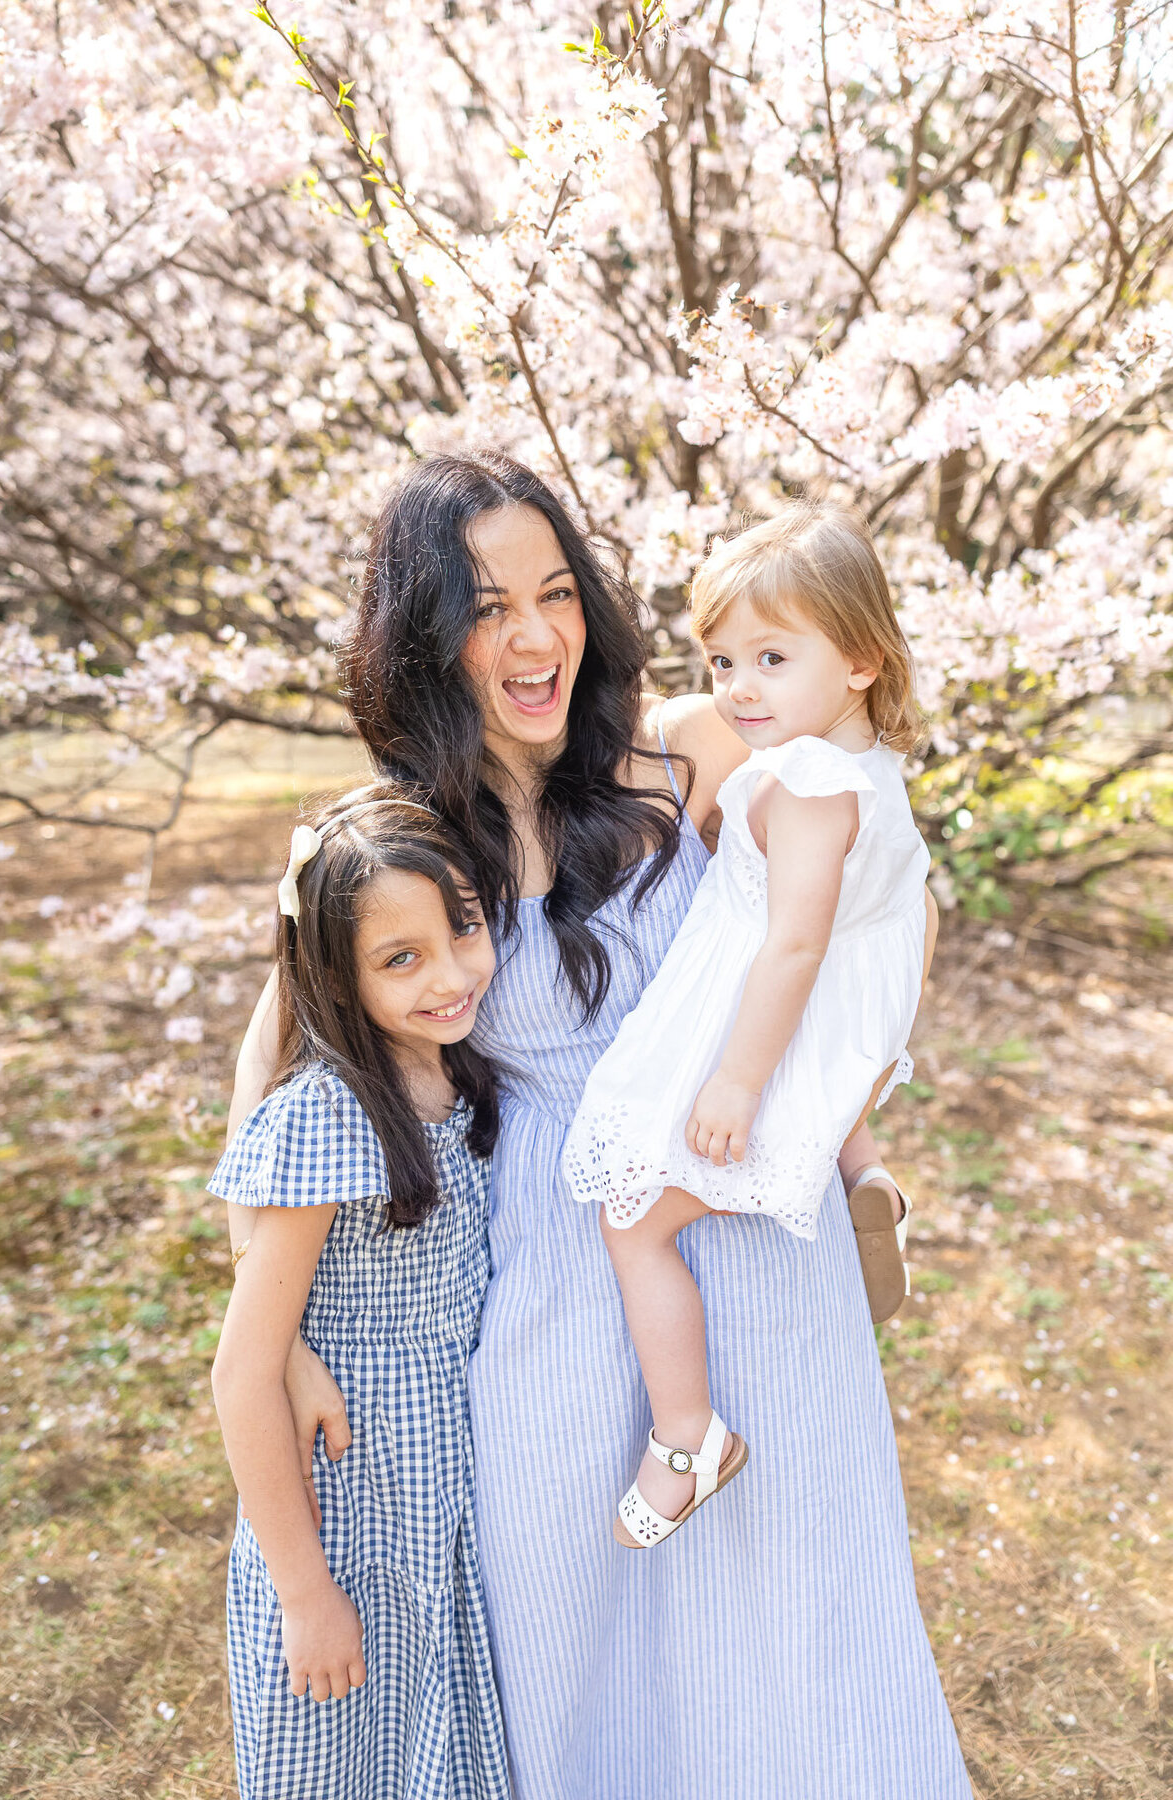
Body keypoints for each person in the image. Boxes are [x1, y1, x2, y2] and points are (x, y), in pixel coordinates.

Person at [228, 451, 972, 1799]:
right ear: (423, 639)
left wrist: (840, 1108)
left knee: (801, 1624)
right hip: (550, 1269)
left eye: (558, 593)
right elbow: (273, 1068)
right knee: (578, 1630)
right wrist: (267, 1340)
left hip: (744, 1226)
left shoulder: (689, 743)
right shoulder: (388, 839)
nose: (535, 636)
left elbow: (887, 884)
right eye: (488, 606)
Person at [563, 502, 928, 1547]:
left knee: (634, 1224)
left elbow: (796, 948)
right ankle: (861, 1169)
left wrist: (732, 1084)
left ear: (860, 660)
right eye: (722, 662)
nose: (738, 690)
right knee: (805, 1094)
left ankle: (688, 1438)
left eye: (771, 657)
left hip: (770, 1037)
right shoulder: (863, 767)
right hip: (833, 1036)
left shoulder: (811, 784)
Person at [209, 787, 510, 1800]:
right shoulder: (330, 1116)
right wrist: (305, 1593)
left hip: (443, 1505)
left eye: (461, 928)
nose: (451, 972)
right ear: (335, 976)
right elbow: (242, 1376)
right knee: (341, 1759)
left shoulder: (462, 1075)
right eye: (401, 959)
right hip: (348, 1508)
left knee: (439, 1759)